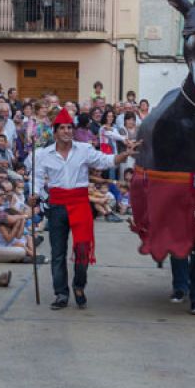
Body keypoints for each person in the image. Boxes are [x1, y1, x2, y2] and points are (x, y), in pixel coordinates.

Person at [28, 108, 139, 310]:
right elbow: (35, 177)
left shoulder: (84, 149)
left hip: (80, 203)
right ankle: (61, 293)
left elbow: (105, 160)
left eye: (70, 127)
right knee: (58, 252)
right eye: (62, 128)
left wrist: (124, 155)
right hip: (57, 204)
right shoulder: (44, 154)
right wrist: (33, 195)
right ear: (55, 132)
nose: (67, 131)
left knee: (82, 249)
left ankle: (79, 286)